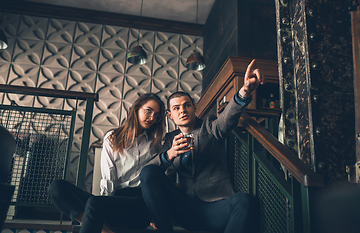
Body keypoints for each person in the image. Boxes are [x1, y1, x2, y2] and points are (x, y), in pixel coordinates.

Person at [140, 59, 264, 233]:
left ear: (194, 107)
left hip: (215, 208)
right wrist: (170, 154)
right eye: (176, 108)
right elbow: (150, 173)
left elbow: (228, 117)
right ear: (170, 115)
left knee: (244, 200)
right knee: (148, 171)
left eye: (186, 105)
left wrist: (245, 90)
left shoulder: (211, 127)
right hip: (185, 209)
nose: (182, 110)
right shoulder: (169, 140)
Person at [48, 93, 165, 233]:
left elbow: (158, 181)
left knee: (95, 203)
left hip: (140, 205)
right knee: (57, 187)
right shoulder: (112, 138)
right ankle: (104, 229)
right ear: (136, 108)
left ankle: (100, 223)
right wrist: (105, 206)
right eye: (148, 111)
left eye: (156, 115)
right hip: (113, 201)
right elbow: (108, 177)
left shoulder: (155, 144)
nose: (152, 118)